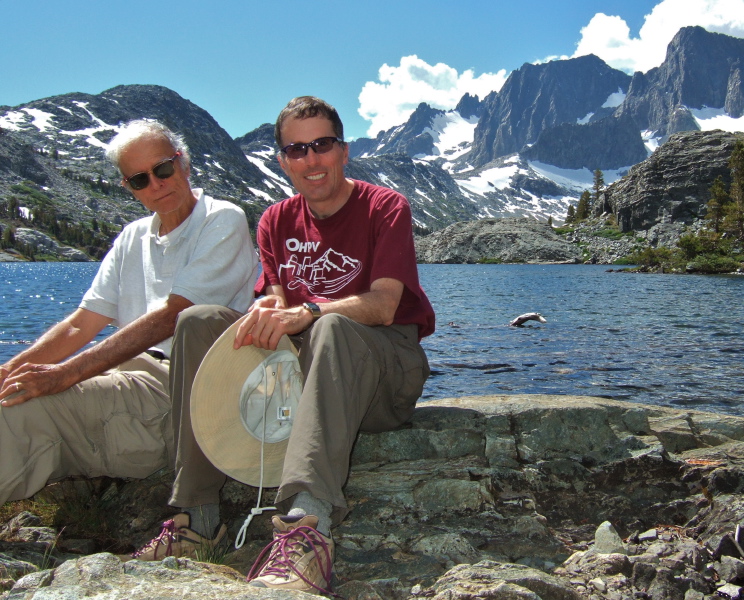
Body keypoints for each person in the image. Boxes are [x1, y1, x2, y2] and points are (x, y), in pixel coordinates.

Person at [136, 96, 434, 594]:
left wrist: (309, 310)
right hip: (311, 371)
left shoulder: (384, 206)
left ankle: (306, 526)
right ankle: (196, 514)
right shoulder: (275, 220)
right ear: (282, 160)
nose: (311, 160)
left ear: (344, 150)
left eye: (322, 145)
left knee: (330, 328)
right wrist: (272, 310)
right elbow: (275, 297)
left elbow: (383, 306)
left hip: (385, 370)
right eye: (297, 150)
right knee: (196, 320)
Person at [0, 120, 258, 520]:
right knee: (11, 394)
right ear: (128, 187)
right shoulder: (132, 236)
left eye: (163, 169)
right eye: (140, 179)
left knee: (15, 412)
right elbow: (81, 324)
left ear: (184, 163)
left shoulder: (221, 220)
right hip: (126, 387)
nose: (155, 184)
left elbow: (172, 318)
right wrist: (10, 370)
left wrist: (61, 376)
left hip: (173, 396)